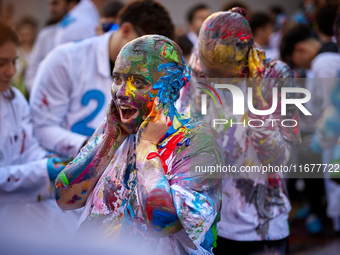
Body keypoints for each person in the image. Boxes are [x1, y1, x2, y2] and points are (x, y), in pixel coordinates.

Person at [55, 34, 223, 254]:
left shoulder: (197, 140)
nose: (122, 93)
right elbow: (64, 198)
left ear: (169, 89)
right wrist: (110, 140)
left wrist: (146, 146)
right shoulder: (115, 130)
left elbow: (163, 221)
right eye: (117, 79)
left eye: (138, 82)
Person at [187, 8, 300, 254]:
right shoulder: (198, 71)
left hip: (260, 226)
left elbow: (278, 158)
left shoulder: (274, 75)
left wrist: (256, 93)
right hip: (207, 221)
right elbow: (187, 139)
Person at [30, 0, 175, 159]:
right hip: (65, 169)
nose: (149, 61)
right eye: (147, 50)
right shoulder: (65, 60)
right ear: (126, 30)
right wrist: (92, 148)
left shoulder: (151, 73)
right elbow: (42, 127)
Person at [0, 19, 80, 237]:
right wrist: (43, 171)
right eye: (2, 63)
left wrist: (50, 161)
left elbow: (26, 148)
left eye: (14, 62)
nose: (11, 71)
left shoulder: (14, 99)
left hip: (17, 211)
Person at [25, 0, 79, 94]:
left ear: (71, 4)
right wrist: (44, 96)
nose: (51, 9)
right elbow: (31, 73)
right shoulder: (45, 35)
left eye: (55, 3)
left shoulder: (86, 34)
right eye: (50, 4)